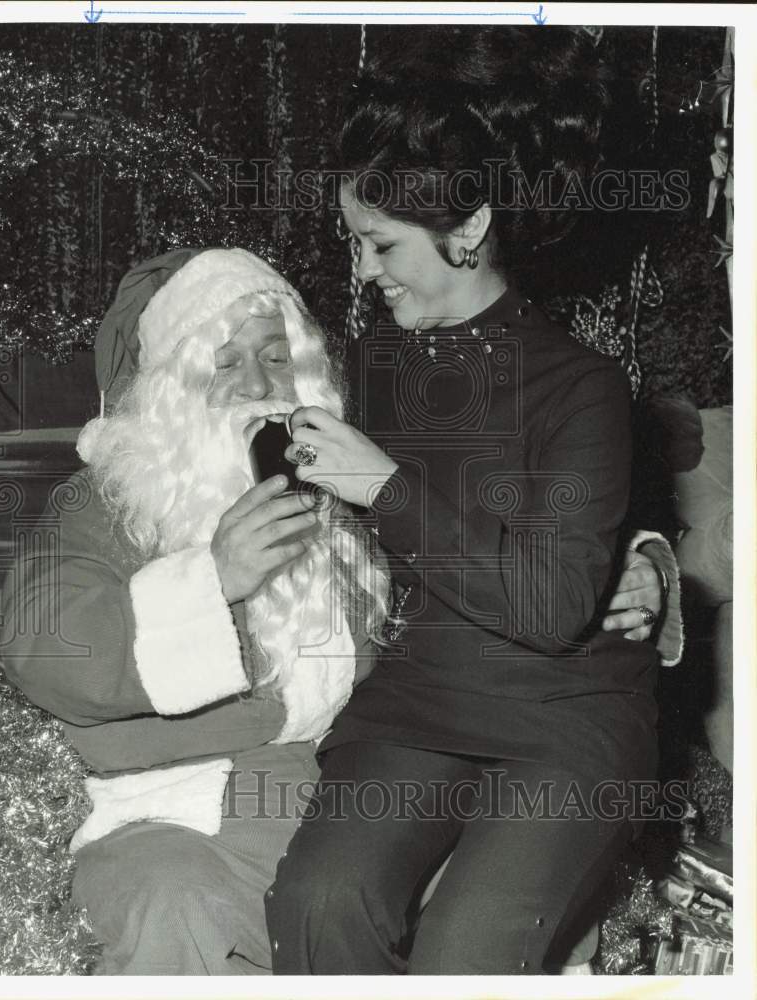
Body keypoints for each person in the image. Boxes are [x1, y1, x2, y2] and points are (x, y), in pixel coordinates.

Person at [265, 28, 671, 975]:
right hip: (420, 705)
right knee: (319, 900)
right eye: (356, 242)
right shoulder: (367, 373)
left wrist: (387, 487)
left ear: (470, 229)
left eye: (380, 243)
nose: (364, 270)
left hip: (564, 718)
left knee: (468, 953)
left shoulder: (582, 386)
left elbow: (552, 604)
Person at [0, 246, 390, 975]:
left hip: (324, 807)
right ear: (171, 387)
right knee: (172, 902)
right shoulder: (105, 503)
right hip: (166, 818)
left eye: (277, 358)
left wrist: (626, 567)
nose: (259, 386)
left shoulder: (334, 507)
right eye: (226, 362)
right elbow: (49, 650)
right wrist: (214, 580)